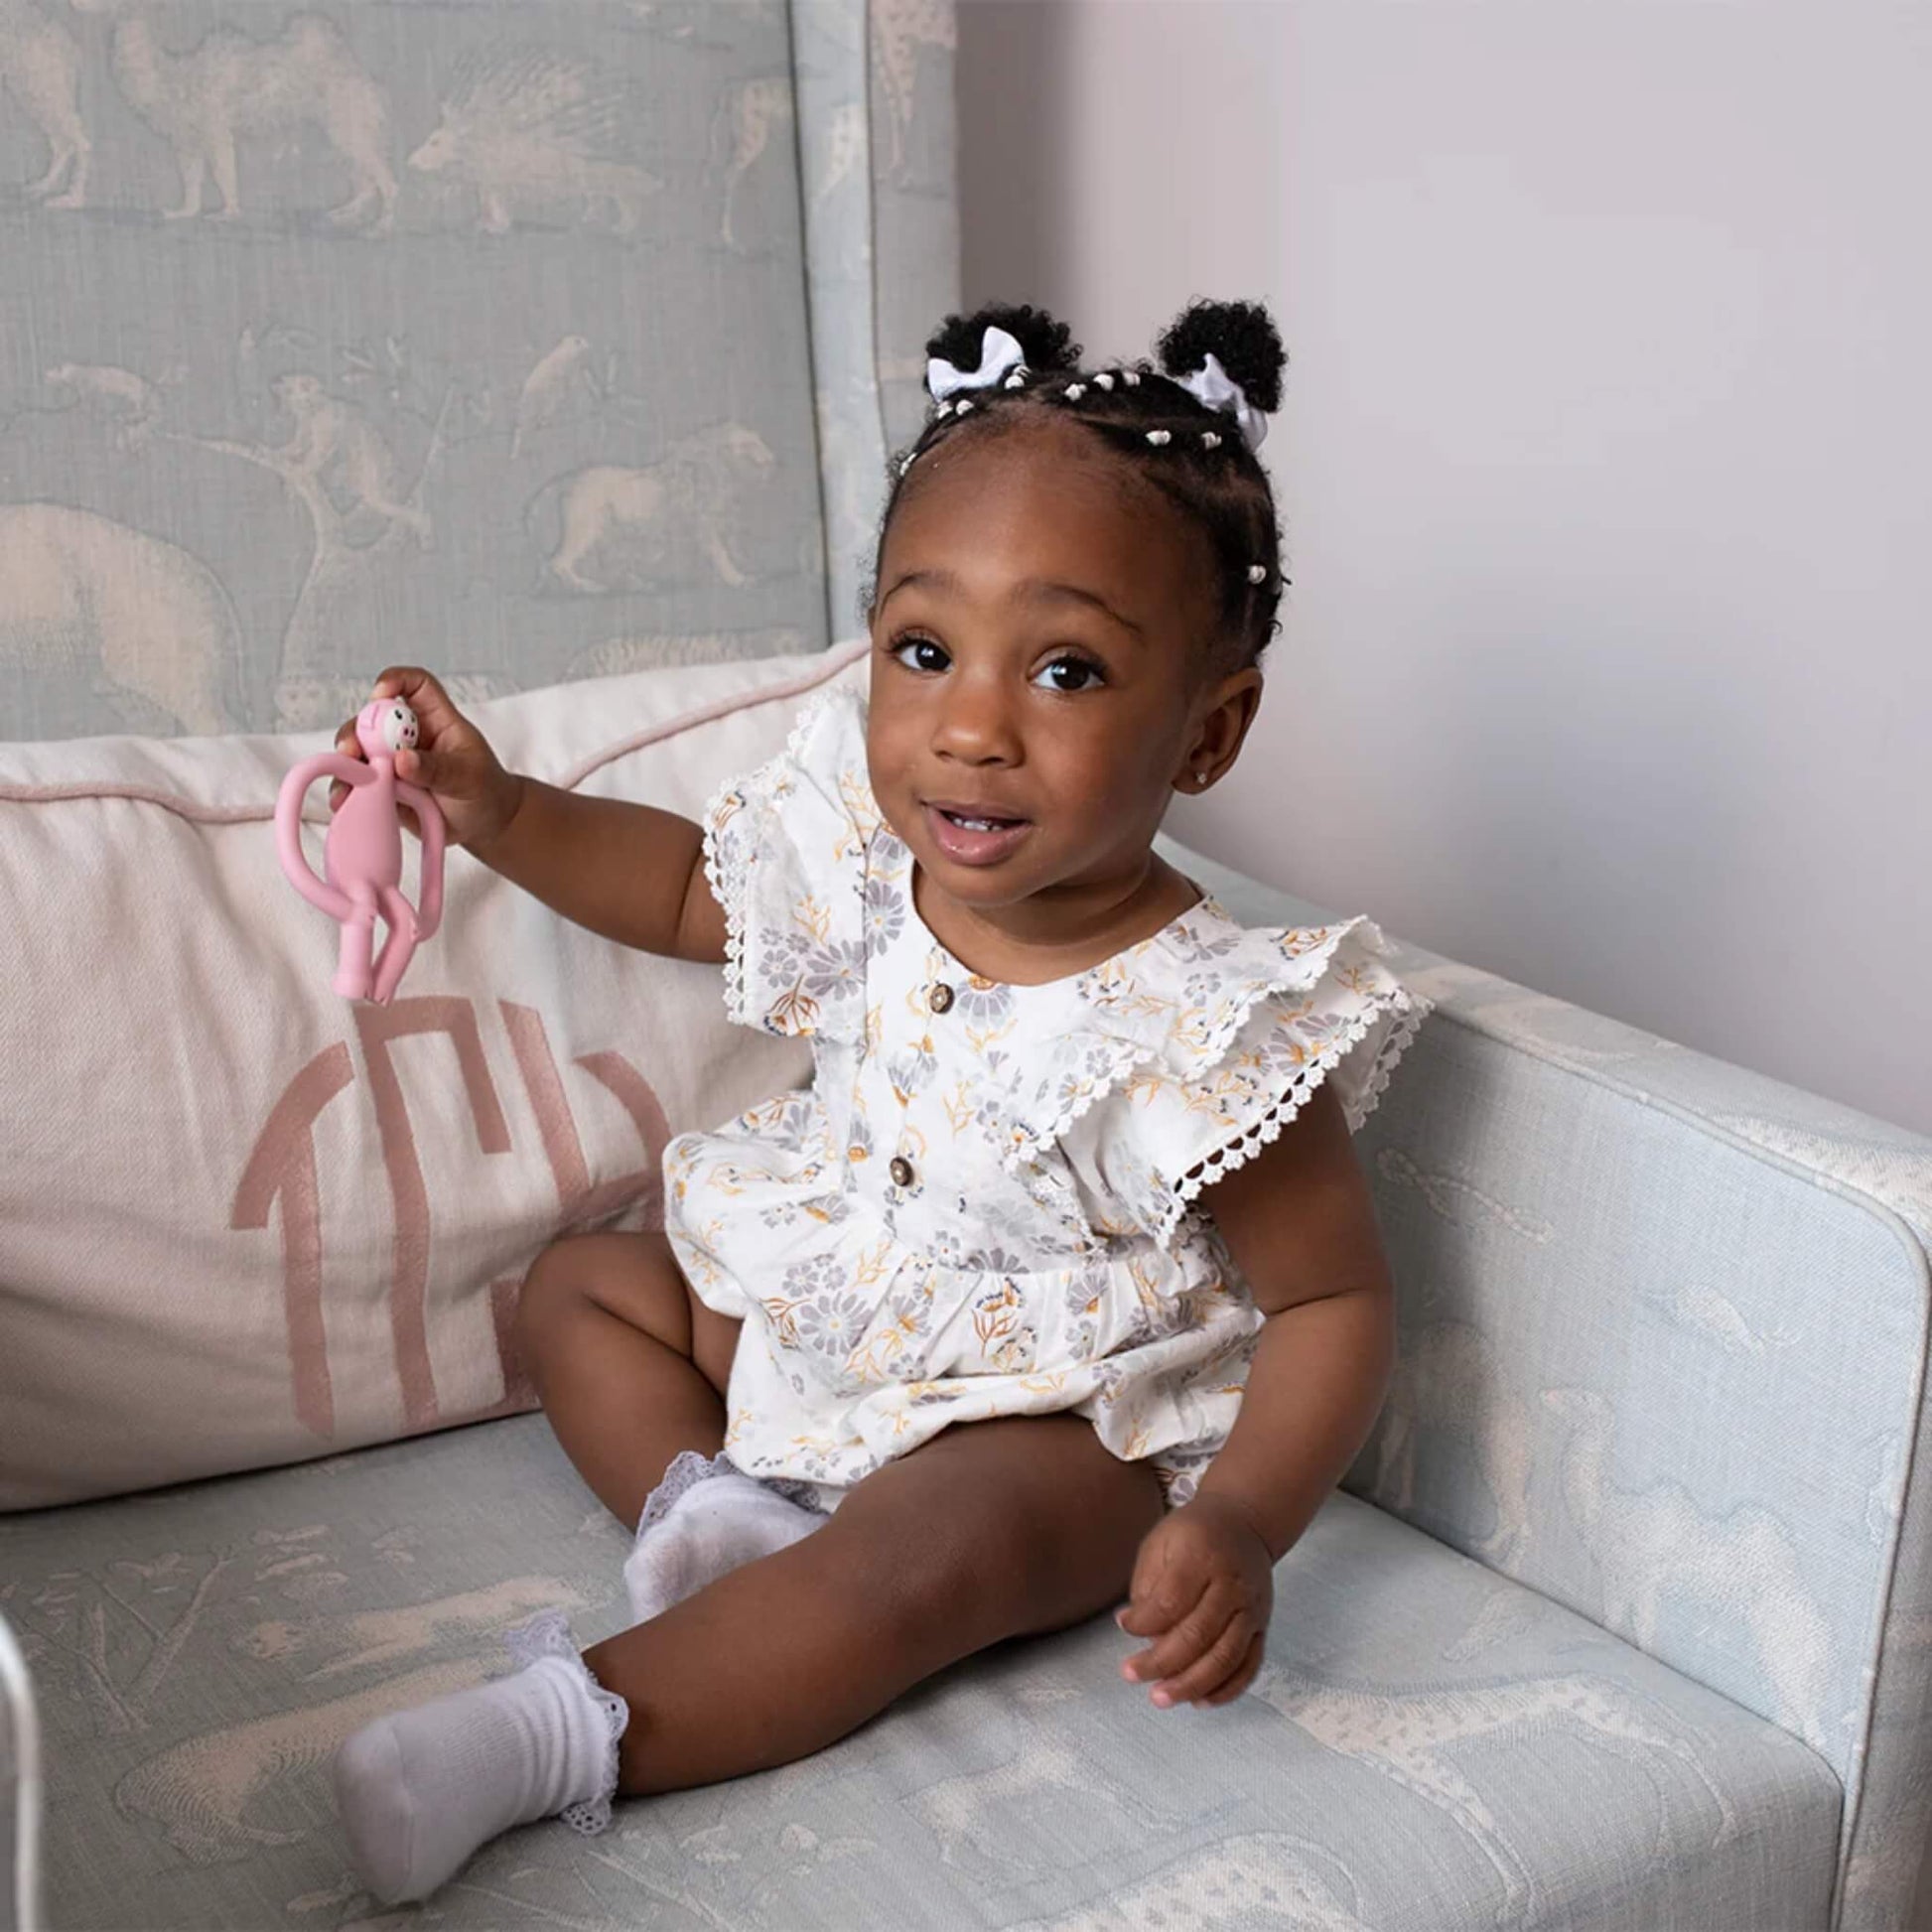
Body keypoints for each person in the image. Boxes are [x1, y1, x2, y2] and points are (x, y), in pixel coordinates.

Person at [328, 298, 1430, 1905]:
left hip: (1059, 1422)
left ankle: (558, 1733)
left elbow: (1332, 1297)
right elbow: (671, 887)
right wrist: (490, 807)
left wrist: (1247, 1524)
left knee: (927, 1550)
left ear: (1207, 726)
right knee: (582, 1285)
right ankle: (711, 1517)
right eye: (923, 650)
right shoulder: (859, 862)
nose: (970, 726)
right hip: (830, 1321)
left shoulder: (1202, 1019)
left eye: (1064, 669)